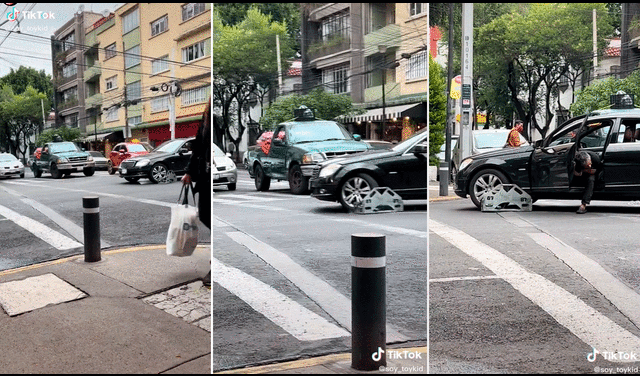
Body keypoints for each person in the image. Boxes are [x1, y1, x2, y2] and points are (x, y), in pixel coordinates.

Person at [181, 99, 212, 286]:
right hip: (204, 176)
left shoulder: (215, 118)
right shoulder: (206, 116)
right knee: (205, 216)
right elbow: (199, 146)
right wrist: (189, 171)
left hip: (213, 175)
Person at [572, 150, 603, 214]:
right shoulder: (577, 161)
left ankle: (584, 204)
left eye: (590, 163)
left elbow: (601, 170)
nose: (590, 166)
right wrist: (584, 171)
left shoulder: (595, 159)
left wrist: (594, 172)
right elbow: (576, 172)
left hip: (593, 174)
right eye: (587, 165)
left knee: (591, 180)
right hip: (583, 174)